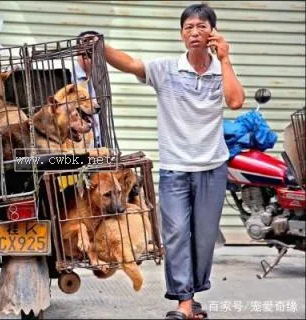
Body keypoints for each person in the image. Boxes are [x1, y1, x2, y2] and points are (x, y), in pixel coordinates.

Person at [82, 3, 245, 319]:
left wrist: (225, 59)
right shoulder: (167, 69)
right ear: (182, 34)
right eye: (188, 27)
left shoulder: (220, 70)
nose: (194, 32)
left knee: (204, 236)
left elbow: (236, 100)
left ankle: (192, 296)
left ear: (212, 32)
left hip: (212, 167)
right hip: (175, 168)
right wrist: (100, 46)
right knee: (175, 233)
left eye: (201, 26)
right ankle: (183, 301)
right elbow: (130, 64)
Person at [72, 30, 102, 148]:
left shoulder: (100, 78)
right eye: (85, 43)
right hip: (76, 146)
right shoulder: (67, 75)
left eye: (93, 46)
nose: (89, 50)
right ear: (77, 50)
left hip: (96, 143)